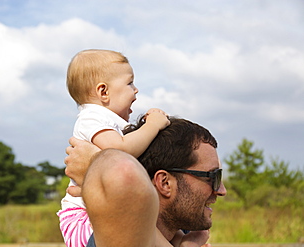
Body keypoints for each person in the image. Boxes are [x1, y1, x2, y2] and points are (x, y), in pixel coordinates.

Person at [58, 49, 170, 247]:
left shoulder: (109, 122)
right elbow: (121, 151)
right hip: (83, 219)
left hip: (101, 209)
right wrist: (153, 125)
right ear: (103, 92)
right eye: (130, 83)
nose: (135, 90)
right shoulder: (91, 117)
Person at [64, 117, 228, 247]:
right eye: (212, 176)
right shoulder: (120, 238)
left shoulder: (183, 234)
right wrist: (95, 162)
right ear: (164, 183)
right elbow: (124, 171)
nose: (221, 190)